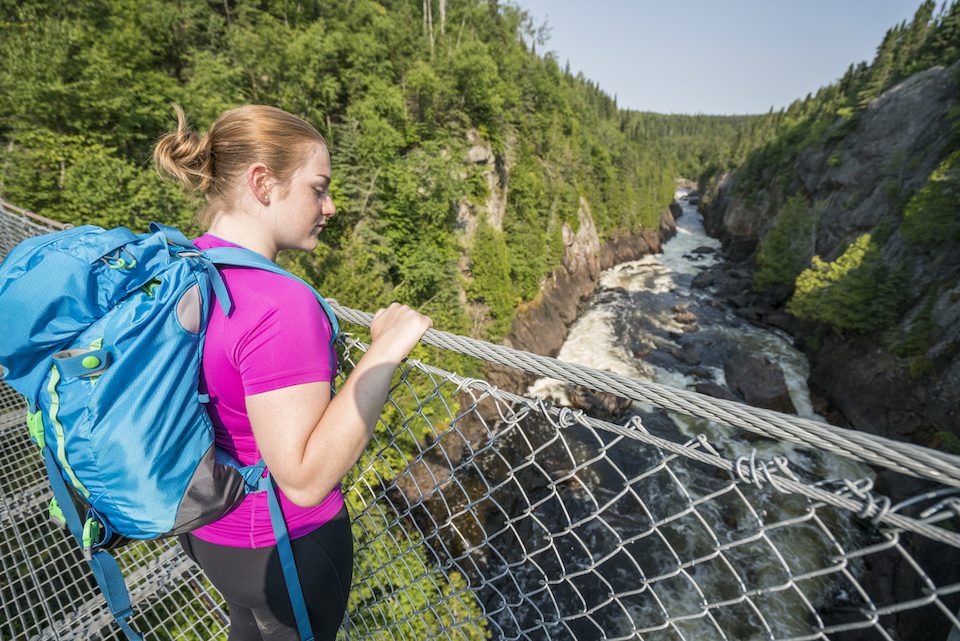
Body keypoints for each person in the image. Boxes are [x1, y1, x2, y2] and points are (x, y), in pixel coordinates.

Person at [152, 104, 432, 641]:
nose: (330, 206)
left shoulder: (186, 264)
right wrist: (385, 351)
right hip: (282, 546)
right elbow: (303, 479)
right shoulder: (279, 303)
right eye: (318, 188)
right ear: (263, 183)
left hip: (207, 527)